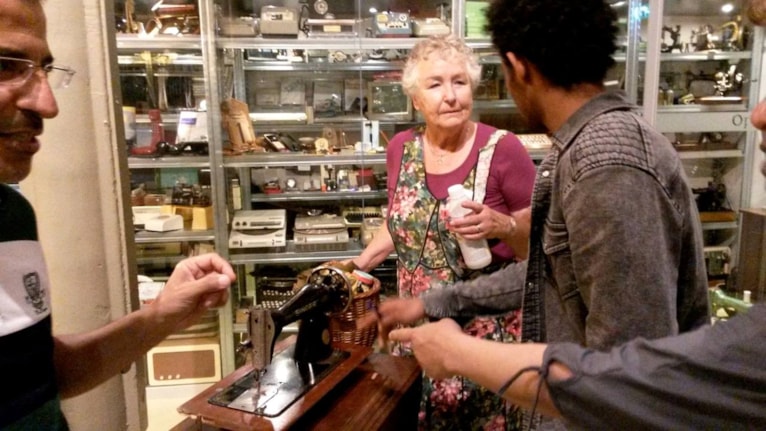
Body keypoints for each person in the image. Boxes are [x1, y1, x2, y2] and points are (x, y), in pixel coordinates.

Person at [385, 0, 766, 429]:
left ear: (519, 68)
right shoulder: (583, 148)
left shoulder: (607, 163)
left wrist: (460, 353)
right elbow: (549, 270)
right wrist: (434, 302)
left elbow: (626, 387)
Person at [0, 0, 236, 429]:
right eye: (5, 66)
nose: (48, 105)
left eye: (44, 70)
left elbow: (37, 377)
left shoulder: (11, 215)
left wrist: (163, 314)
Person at [348, 34, 537, 430]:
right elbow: (402, 220)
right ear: (416, 99)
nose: (450, 96)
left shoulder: (504, 150)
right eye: (435, 85)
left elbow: (538, 246)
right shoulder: (402, 148)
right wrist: (356, 266)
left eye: (459, 82)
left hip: (480, 340)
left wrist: (501, 225)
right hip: (414, 329)